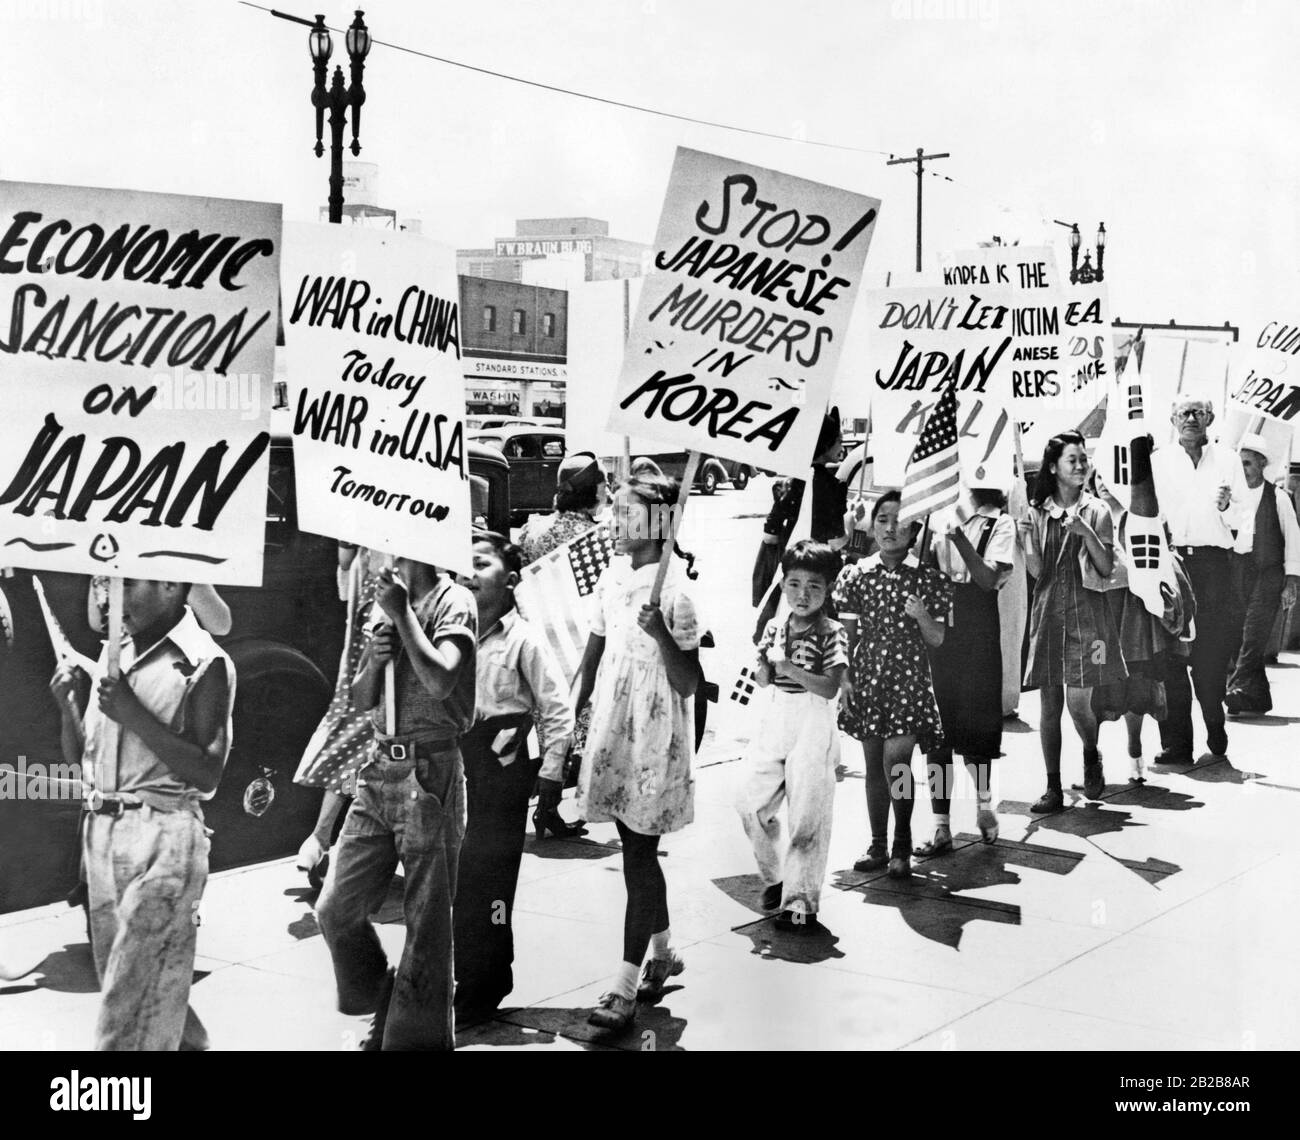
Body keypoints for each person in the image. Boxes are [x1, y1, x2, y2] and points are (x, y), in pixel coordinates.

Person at [51, 579, 235, 1050]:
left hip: (165, 842)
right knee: (136, 985)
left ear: (171, 583)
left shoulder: (204, 661)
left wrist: (133, 713)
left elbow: (208, 772)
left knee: (125, 1017)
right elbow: (81, 759)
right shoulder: (115, 653)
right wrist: (68, 704)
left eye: (124, 583)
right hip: (102, 837)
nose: (107, 598)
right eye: (100, 585)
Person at [314, 557, 477, 1051]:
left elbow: (441, 680)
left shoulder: (454, 601)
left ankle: (412, 1041)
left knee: (427, 923)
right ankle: (386, 991)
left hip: (429, 771)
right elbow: (362, 697)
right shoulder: (386, 599)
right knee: (336, 907)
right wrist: (374, 661)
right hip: (379, 766)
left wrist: (403, 615)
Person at [573, 472, 701, 1032]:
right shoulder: (610, 579)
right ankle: (664, 950)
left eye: (624, 514)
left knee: (641, 855)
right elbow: (595, 649)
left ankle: (624, 990)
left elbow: (690, 680)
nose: (613, 523)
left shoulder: (673, 593)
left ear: (658, 523)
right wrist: (576, 715)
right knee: (633, 850)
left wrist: (661, 634)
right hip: (613, 727)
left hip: (653, 734)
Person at [454, 531, 574, 1020]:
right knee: (458, 876)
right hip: (456, 764)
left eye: (482, 564)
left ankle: (488, 979)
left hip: (502, 769)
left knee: (493, 878)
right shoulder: (448, 633)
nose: (470, 574)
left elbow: (556, 709)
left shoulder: (522, 638)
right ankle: (462, 972)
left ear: (512, 580)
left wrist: (549, 776)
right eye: (465, 566)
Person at [833, 491, 950, 879]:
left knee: (896, 762)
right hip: (869, 676)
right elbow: (845, 635)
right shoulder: (856, 574)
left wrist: (920, 615)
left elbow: (937, 639)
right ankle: (877, 844)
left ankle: (902, 843)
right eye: (882, 519)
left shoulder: (927, 578)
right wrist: (846, 677)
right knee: (873, 767)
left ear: (916, 529)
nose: (889, 528)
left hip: (909, 678)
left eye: (899, 521)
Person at [736, 540, 847, 931]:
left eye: (814, 586)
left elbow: (830, 687)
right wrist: (764, 665)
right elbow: (765, 679)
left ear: (828, 589)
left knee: (807, 816)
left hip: (813, 721)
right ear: (783, 585)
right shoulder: (775, 627)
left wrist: (789, 667)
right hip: (777, 716)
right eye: (795, 584)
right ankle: (777, 878)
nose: (803, 594)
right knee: (750, 802)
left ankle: (800, 899)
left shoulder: (833, 631)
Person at [1019, 432, 1127, 811]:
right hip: (1048, 614)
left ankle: (1091, 749)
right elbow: (1037, 571)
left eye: (1083, 459)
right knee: (1049, 704)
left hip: (1088, 618)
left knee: (1079, 702)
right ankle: (1053, 787)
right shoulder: (1036, 512)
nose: (1080, 466)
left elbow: (1107, 566)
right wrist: (1027, 540)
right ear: (1053, 467)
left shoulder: (1096, 510)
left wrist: (1086, 534)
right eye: (1072, 460)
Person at [916, 488, 1015, 856]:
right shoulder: (938, 512)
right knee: (937, 731)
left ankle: (985, 805)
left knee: (979, 731)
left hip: (978, 630)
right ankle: (941, 825)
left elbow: (988, 580)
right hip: (939, 625)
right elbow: (921, 567)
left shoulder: (999, 522)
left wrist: (958, 538)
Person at [1149, 398, 1246, 761]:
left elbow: (1245, 522)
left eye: (1199, 413)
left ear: (1211, 418)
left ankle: (1213, 719)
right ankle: (1177, 744)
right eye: (1184, 413)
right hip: (1170, 565)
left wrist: (1227, 507)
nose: (1191, 419)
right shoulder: (1157, 462)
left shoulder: (1228, 460)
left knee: (1210, 653)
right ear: (1172, 419)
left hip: (1213, 566)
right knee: (1170, 656)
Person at [294, 543, 385, 886]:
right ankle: (324, 837)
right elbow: (346, 573)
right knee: (356, 752)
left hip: (378, 645)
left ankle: (324, 838)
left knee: (360, 751)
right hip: (372, 650)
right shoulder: (369, 548)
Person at [1089, 468, 1185, 779]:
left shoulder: (1141, 518)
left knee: (1135, 683)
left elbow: (1154, 564)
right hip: (1097, 616)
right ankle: (1092, 758)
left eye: (1108, 477)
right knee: (1094, 683)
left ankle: (1135, 751)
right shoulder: (1089, 515)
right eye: (1098, 477)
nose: (1103, 484)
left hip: (1133, 617)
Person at [1225, 433, 1300, 714]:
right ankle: (1258, 697)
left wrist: (1291, 580)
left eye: (1247, 464)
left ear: (1261, 464)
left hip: (1268, 574)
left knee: (1253, 635)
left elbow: (1293, 539)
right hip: (1238, 571)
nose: (1243, 470)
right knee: (1237, 633)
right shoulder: (1231, 497)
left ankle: (1236, 687)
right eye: (1239, 464)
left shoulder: (1278, 497)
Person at [519, 451, 608, 565]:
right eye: (605, 487)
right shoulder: (593, 536)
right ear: (591, 492)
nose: (608, 494)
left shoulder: (531, 527)